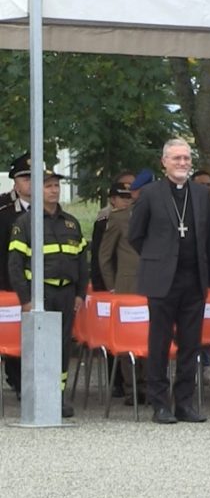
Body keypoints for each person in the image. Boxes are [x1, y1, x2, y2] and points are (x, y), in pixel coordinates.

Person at [128, 139, 210, 425]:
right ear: (164, 162)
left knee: (191, 344)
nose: (182, 163)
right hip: (162, 280)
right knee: (160, 343)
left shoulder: (200, 194)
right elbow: (135, 235)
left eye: (186, 158)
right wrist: (157, 259)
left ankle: (185, 403)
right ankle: (160, 404)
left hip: (193, 280)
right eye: (176, 158)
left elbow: (207, 235)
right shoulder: (150, 194)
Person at [7, 167, 86, 418]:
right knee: (39, 347)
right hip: (40, 294)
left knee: (62, 347)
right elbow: (15, 265)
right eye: (48, 185)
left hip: (66, 293)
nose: (53, 190)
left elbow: (82, 262)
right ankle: (38, 396)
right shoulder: (25, 223)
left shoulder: (71, 222)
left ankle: (58, 396)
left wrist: (80, 294)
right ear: (38, 190)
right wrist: (26, 300)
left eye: (56, 186)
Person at [100, 181, 146, 404]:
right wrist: (111, 286)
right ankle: (132, 389)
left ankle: (149, 384)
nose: (131, 198)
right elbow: (105, 255)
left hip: (153, 284)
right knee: (129, 337)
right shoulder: (118, 218)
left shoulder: (158, 214)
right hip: (127, 286)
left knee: (151, 334)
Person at [0, 153, 33, 393]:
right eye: (25, 178)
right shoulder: (3, 209)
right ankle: (18, 379)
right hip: (7, 281)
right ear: (15, 182)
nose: (30, 182)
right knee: (14, 330)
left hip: (40, 282)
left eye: (35, 178)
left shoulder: (51, 210)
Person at [90, 171, 136, 293]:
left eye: (129, 198)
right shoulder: (104, 222)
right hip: (114, 280)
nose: (127, 201)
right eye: (123, 198)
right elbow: (101, 256)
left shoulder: (135, 218)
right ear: (113, 200)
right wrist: (103, 286)